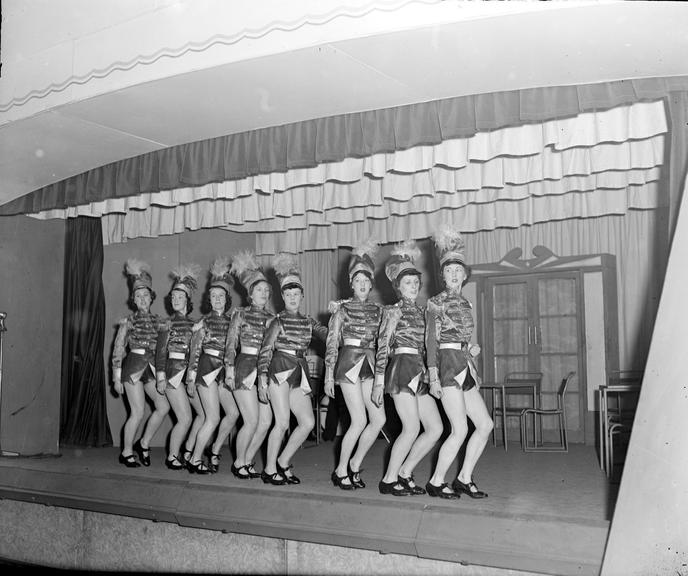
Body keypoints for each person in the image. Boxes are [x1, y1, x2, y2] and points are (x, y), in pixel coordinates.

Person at [426, 225, 493, 499]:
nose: (453, 275)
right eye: (448, 271)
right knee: (460, 428)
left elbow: (460, 337)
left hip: (464, 366)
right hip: (446, 368)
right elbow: (431, 343)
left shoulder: (466, 303)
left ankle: (464, 477)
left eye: (458, 271)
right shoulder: (435, 303)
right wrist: (432, 377)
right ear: (442, 275)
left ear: (465, 275)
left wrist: (469, 349)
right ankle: (436, 480)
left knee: (485, 425)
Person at [376, 241, 443, 496]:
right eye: (407, 283)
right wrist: (378, 383)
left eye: (416, 282)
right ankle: (389, 479)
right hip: (401, 371)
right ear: (397, 287)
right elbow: (383, 347)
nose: (413, 286)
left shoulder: (425, 312)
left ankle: (405, 472)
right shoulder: (391, 312)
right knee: (411, 428)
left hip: (420, 373)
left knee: (435, 428)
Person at [256, 252, 327, 485]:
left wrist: (341, 317)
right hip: (278, 371)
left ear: (302, 296)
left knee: (307, 422)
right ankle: (268, 468)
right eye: (288, 294)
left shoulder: (308, 321)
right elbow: (265, 350)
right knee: (283, 422)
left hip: (299, 373)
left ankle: (283, 461)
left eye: (296, 294)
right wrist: (262, 380)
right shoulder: (276, 321)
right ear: (282, 296)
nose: (293, 297)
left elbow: (329, 335)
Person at [324, 239, 385, 490]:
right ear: (351, 284)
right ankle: (340, 470)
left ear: (371, 284)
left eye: (366, 281)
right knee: (358, 421)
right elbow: (330, 343)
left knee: (378, 420)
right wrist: (328, 376)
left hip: (369, 364)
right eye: (357, 281)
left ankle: (355, 464)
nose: (362, 285)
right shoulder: (342, 309)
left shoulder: (379, 310)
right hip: (347, 364)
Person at [219, 251, 275, 479]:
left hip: (263, 371)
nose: (264, 293)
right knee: (250, 420)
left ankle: (247, 460)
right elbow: (230, 344)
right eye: (259, 290)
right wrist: (229, 370)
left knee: (265, 422)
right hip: (243, 368)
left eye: (266, 290)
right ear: (250, 294)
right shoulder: (239, 314)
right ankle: (238, 463)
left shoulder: (273, 317)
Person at [112, 259, 166, 468]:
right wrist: (117, 379)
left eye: (146, 295)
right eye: (138, 296)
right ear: (133, 300)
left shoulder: (160, 321)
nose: (142, 299)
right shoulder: (129, 322)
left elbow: (162, 350)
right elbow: (118, 350)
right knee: (138, 412)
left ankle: (143, 443)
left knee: (163, 406)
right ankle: (126, 452)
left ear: (151, 298)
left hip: (151, 369)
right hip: (133, 367)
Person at [185, 258, 234, 474]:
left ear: (226, 298)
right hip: (206, 370)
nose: (217, 299)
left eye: (220, 296)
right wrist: (190, 379)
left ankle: (214, 451)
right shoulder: (202, 322)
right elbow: (194, 353)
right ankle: (195, 459)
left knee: (233, 413)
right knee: (212, 417)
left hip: (223, 372)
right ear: (209, 299)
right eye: (213, 296)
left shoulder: (234, 321)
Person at [154, 263, 200, 470]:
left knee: (206, 415)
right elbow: (160, 352)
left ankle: (189, 449)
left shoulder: (194, 324)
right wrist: (160, 377)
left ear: (187, 301)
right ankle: (172, 456)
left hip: (189, 375)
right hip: (173, 373)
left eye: (180, 297)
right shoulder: (166, 324)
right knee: (185, 417)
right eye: (173, 297)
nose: (175, 300)